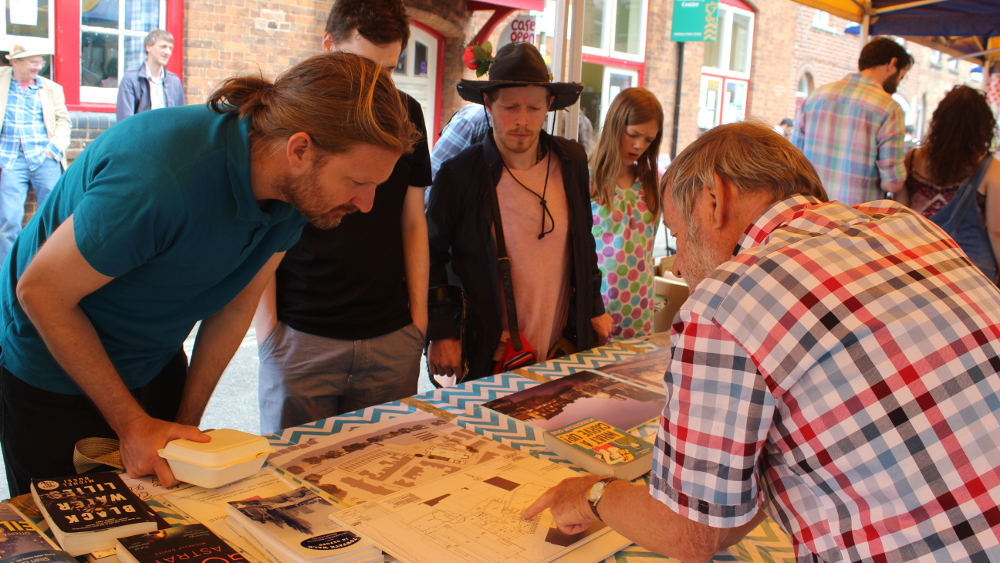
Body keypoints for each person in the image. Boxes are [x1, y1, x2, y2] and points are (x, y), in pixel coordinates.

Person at [523, 120, 1000, 563]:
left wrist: (591, 495)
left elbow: (689, 532)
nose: (681, 265)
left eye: (676, 235)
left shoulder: (725, 299)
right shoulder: (905, 223)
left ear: (714, 199)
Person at [0, 52, 416, 496]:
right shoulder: (160, 178)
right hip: (51, 369)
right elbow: (41, 292)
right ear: (299, 150)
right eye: (358, 182)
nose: (367, 204)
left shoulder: (299, 194)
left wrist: (185, 423)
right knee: (74, 533)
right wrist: (132, 424)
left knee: (166, 521)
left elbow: (236, 305)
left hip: (154, 357)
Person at [254, 0, 432, 434]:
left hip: (391, 332)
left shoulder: (405, 112)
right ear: (328, 45)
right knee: (291, 483)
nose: (374, 88)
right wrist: (269, 333)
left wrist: (419, 321)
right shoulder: (296, 110)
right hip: (301, 332)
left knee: (386, 473)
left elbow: (412, 220)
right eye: (363, 66)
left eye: (388, 72)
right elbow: (262, 219)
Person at [426, 42, 612, 385]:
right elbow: (432, 256)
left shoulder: (570, 162)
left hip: (561, 344)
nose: (523, 121)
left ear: (549, 106)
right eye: (510, 107)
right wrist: (442, 332)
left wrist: (595, 308)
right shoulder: (460, 175)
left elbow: (583, 243)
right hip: (491, 350)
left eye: (533, 108)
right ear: (489, 104)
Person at [793, 37, 912, 205]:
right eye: (902, 76)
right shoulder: (889, 108)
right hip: (856, 220)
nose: (899, 83)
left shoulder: (814, 97)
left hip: (812, 212)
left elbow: (794, 160)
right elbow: (892, 183)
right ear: (892, 64)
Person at [898, 85, 1000, 282]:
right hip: (970, 268)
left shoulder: (912, 158)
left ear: (939, 121)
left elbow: (902, 212)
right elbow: (996, 231)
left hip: (918, 259)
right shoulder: (991, 169)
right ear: (982, 128)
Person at [589, 87, 663, 340]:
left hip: (639, 308)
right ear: (615, 125)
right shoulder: (588, 179)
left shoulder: (652, 183)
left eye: (649, 140)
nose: (639, 145)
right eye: (633, 134)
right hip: (597, 309)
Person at [0, 45, 69, 265]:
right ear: (14, 62)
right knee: (8, 222)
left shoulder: (51, 89)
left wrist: (54, 148)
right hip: (10, 159)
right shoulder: (3, 81)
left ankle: (53, 266)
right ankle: (7, 273)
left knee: (55, 218)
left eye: (40, 62)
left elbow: (63, 120)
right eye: (32, 62)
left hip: (44, 158)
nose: (38, 67)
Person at [115, 29, 185, 121]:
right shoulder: (131, 79)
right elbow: (125, 120)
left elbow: (181, 118)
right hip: (141, 134)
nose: (167, 52)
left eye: (170, 48)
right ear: (148, 47)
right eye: (163, 46)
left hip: (167, 135)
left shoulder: (174, 81)